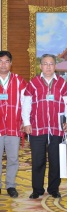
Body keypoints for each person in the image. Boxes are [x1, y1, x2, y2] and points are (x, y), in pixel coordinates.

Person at [22, 54, 67, 199]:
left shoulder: (62, 83)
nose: (48, 66)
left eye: (51, 64)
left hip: (57, 128)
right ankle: (37, 189)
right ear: (41, 66)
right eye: (45, 64)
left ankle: (53, 189)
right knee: (38, 161)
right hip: (37, 128)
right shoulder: (33, 83)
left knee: (55, 161)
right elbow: (26, 105)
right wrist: (26, 123)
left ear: (55, 66)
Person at [0, 51, 27, 198]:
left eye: (6, 61)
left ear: (11, 63)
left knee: (13, 158)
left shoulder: (19, 81)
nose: (3, 64)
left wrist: (24, 121)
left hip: (13, 125)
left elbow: (25, 103)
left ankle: (10, 185)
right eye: (0, 61)